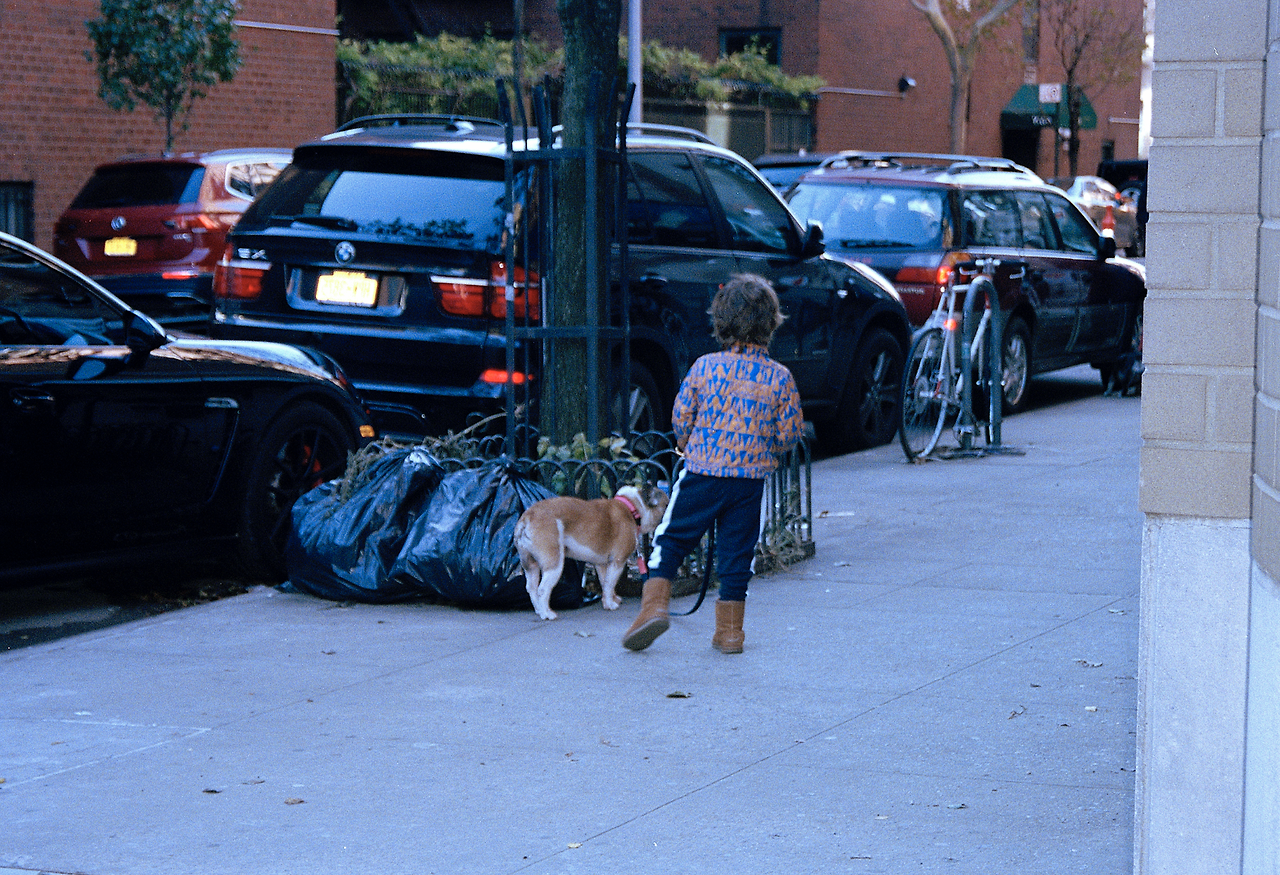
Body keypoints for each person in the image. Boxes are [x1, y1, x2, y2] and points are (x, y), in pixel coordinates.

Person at [622, 273, 805, 654]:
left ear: (721, 323)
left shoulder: (705, 367)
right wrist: (766, 449)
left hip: (703, 473)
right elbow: (789, 434)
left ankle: (654, 606)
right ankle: (730, 633)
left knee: (671, 540)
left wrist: (690, 443)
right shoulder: (780, 378)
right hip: (749, 481)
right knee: (737, 553)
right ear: (771, 324)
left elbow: (681, 416)